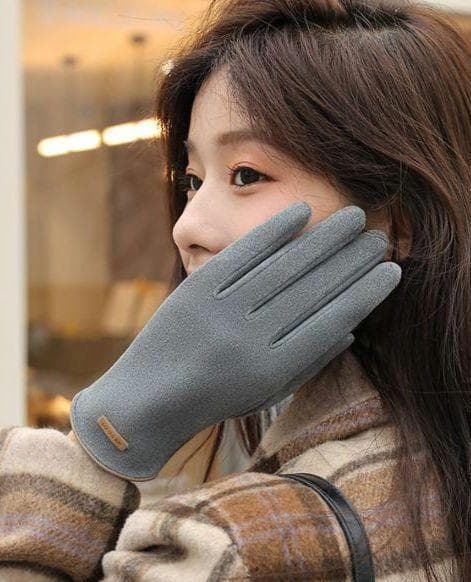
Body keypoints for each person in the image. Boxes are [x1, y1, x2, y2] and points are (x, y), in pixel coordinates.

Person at [0, 0, 470, 579]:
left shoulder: (231, 543)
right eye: (192, 179)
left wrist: (105, 437)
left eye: (247, 175)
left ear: (401, 220)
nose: (186, 227)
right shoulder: (433, 468)